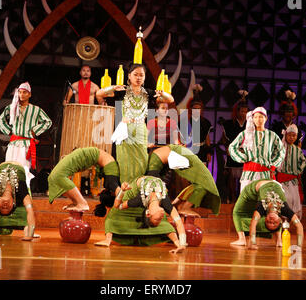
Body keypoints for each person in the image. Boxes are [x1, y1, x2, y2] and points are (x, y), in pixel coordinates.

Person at [95, 63, 175, 246]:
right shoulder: (122, 91)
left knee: (141, 166)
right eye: (135, 74)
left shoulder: (148, 92)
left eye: (142, 75)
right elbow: (99, 94)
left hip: (140, 133)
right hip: (124, 132)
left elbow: (169, 99)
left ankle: (138, 198)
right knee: (125, 166)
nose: (139, 78)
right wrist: (111, 88)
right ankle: (123, 196)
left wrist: (162, 93)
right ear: (129, 76)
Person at [95, 175, 187, 254]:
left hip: (132, 189)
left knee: (113, 214)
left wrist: (122, 191)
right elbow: (179, 222)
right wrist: (181, 244)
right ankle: (108, 239)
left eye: (156, 220)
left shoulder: (139, 200)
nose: (161, 218)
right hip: (153, 175)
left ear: (148, 214)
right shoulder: (165, 202)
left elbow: (116, 206)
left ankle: (108, 239)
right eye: (159, 220)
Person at [147, 145, 220, 217]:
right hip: (168, 156)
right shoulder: (155, 164)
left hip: (172, 155)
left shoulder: (154, 165)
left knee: (204, 184)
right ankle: (182, 207)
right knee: (204, 184)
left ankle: (181, 207)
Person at [230, 179, 304, 250]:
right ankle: (279, 240)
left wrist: (253, 242)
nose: (272, 220)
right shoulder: (284, 208)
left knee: (237, 212)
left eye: (268, 222)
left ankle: (242, 239)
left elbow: (253, 223)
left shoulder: (262, 207)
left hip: (252, 191)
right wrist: (299, 246)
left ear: (265, 218)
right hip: (272, 181)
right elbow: (299, 225)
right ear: (280, 220)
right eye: (274, 223)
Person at [0, 82, 52, 173]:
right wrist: (8, 130)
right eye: (20, 92)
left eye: (24, 92)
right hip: (13, 143)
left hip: (26, 145)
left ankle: (24, 187)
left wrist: (35, 130)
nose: (21, 95)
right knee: (9, 169)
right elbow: (0, 119)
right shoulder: (12, 107)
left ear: (29, 94)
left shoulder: (36, 110)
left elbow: (48, 121)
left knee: (23, 170)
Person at [228, 107, 285, 192]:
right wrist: (242, 157)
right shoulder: (246, 134)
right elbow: (232, 147)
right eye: (256, 117)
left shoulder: (271, 135)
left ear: (266, 118)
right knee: (247, 200)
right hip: (249, 174)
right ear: (253, 119)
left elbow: (281, 150)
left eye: (261, 117)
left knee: (264, 201)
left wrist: (273, 164)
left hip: (265, 174)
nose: (258, 119)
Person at [48, 147, 120, 212]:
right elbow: (119, 191)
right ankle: (79, 202)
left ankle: (80, 203)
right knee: (57, 176)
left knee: (55, 176)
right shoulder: (111, 182)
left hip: (88, 155)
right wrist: (118, 203)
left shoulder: (110, 182)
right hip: (90, 155)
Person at [221, 90, 249, 203]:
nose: (243, 113)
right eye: (242, 111)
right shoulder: (229, 124)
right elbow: (224, 139)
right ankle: (232, 197)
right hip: (233, 152)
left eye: (246, 111)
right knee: (231, 177)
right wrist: (227, 147)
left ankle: (242, 199)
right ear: (237, 111)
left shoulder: (250, 124)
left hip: (245, 154)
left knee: (244, 178)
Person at [276, 124, 306, 219]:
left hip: (293, 180)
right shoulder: (281, 149)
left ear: (296, 137)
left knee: (294, 199)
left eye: (294, 136)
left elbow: (303, 161)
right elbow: (275, 159)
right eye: (290, 135)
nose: (292, 137)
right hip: (281, 178)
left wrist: (298, 171)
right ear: (286, 135)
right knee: (285, 198)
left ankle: (291, 219)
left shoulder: (297, 150)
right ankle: (282, 218)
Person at [184, 93, 213, 165]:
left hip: (202, 151)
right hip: (189, 150)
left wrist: (208, 153)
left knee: (200, 173)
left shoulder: (206, 123)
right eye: (195, 109)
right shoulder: (185, 121)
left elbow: (207, 138)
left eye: (198, 109)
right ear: (191, 109)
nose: (197, 111)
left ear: (201, 110)